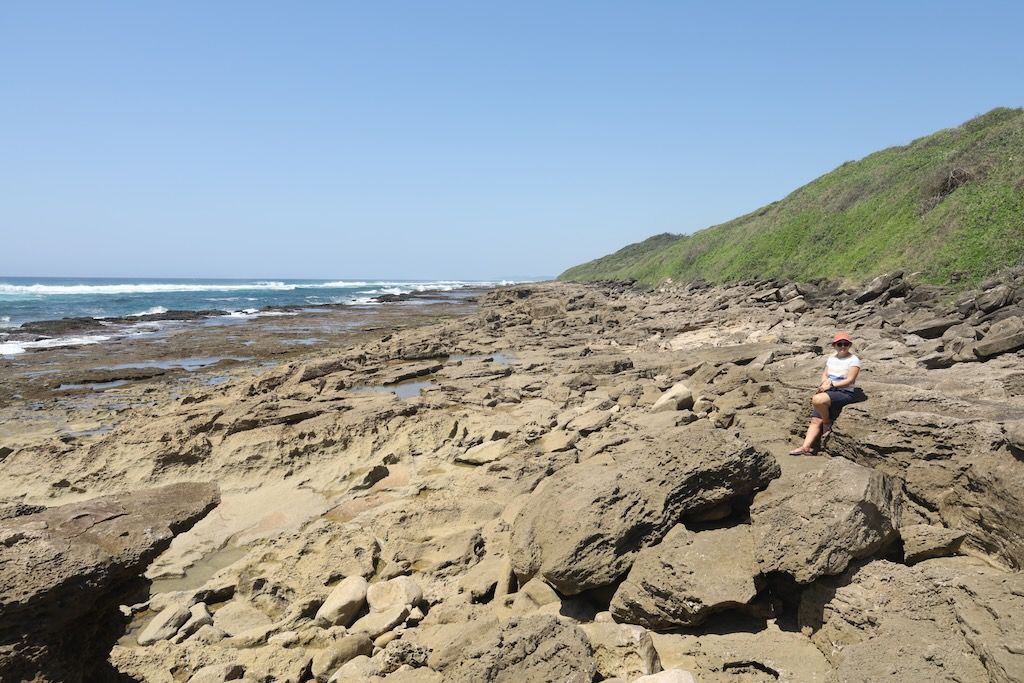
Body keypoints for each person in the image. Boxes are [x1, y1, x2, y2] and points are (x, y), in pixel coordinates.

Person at [789, 332, 863, 455]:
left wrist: (831, 385)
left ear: (849, 345)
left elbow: (850, 380)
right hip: (831, 390)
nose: (843, 346)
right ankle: (805, 447)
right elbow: (825, 374)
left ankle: (827, 422)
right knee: (815, 420)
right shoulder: (832, 358)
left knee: (817, 399)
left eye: (846, 344)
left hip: (845, 392)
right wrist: (824, 383)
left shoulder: (853, 360)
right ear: (834, 345)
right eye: (840, 344)